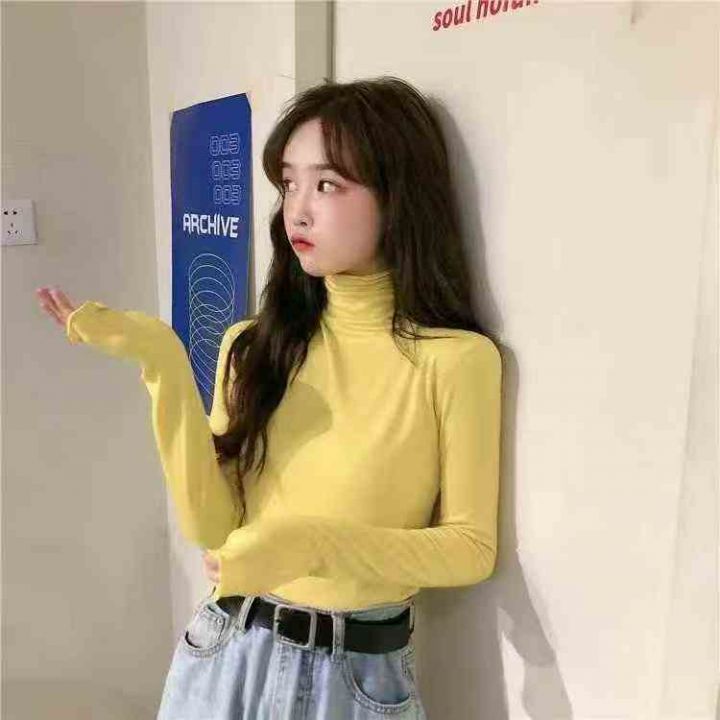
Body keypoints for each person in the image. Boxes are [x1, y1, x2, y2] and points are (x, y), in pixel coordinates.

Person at [36, 75, 502, 720]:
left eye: (327, 185)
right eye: (289, 184)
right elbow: (214, 530)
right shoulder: (253, 345)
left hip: (355, 677)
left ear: (398, 199)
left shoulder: (454, 361)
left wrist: (312, 544)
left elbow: (471, 548)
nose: (297, 211)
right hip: (224, 652)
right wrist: (163, 365)